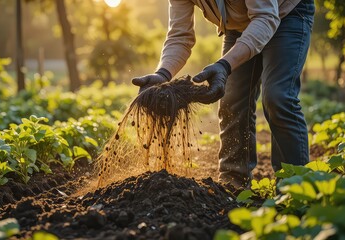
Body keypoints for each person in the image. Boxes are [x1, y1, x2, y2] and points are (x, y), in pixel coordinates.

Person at [132, 0, 315, 190]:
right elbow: (180, 36)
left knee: (278, 97)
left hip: (286, 15)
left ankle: (295, 188)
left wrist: (225, 65)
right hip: (238, 27)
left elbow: (266, 17)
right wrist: (162, 74)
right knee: (231, 100)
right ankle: (234, 183)